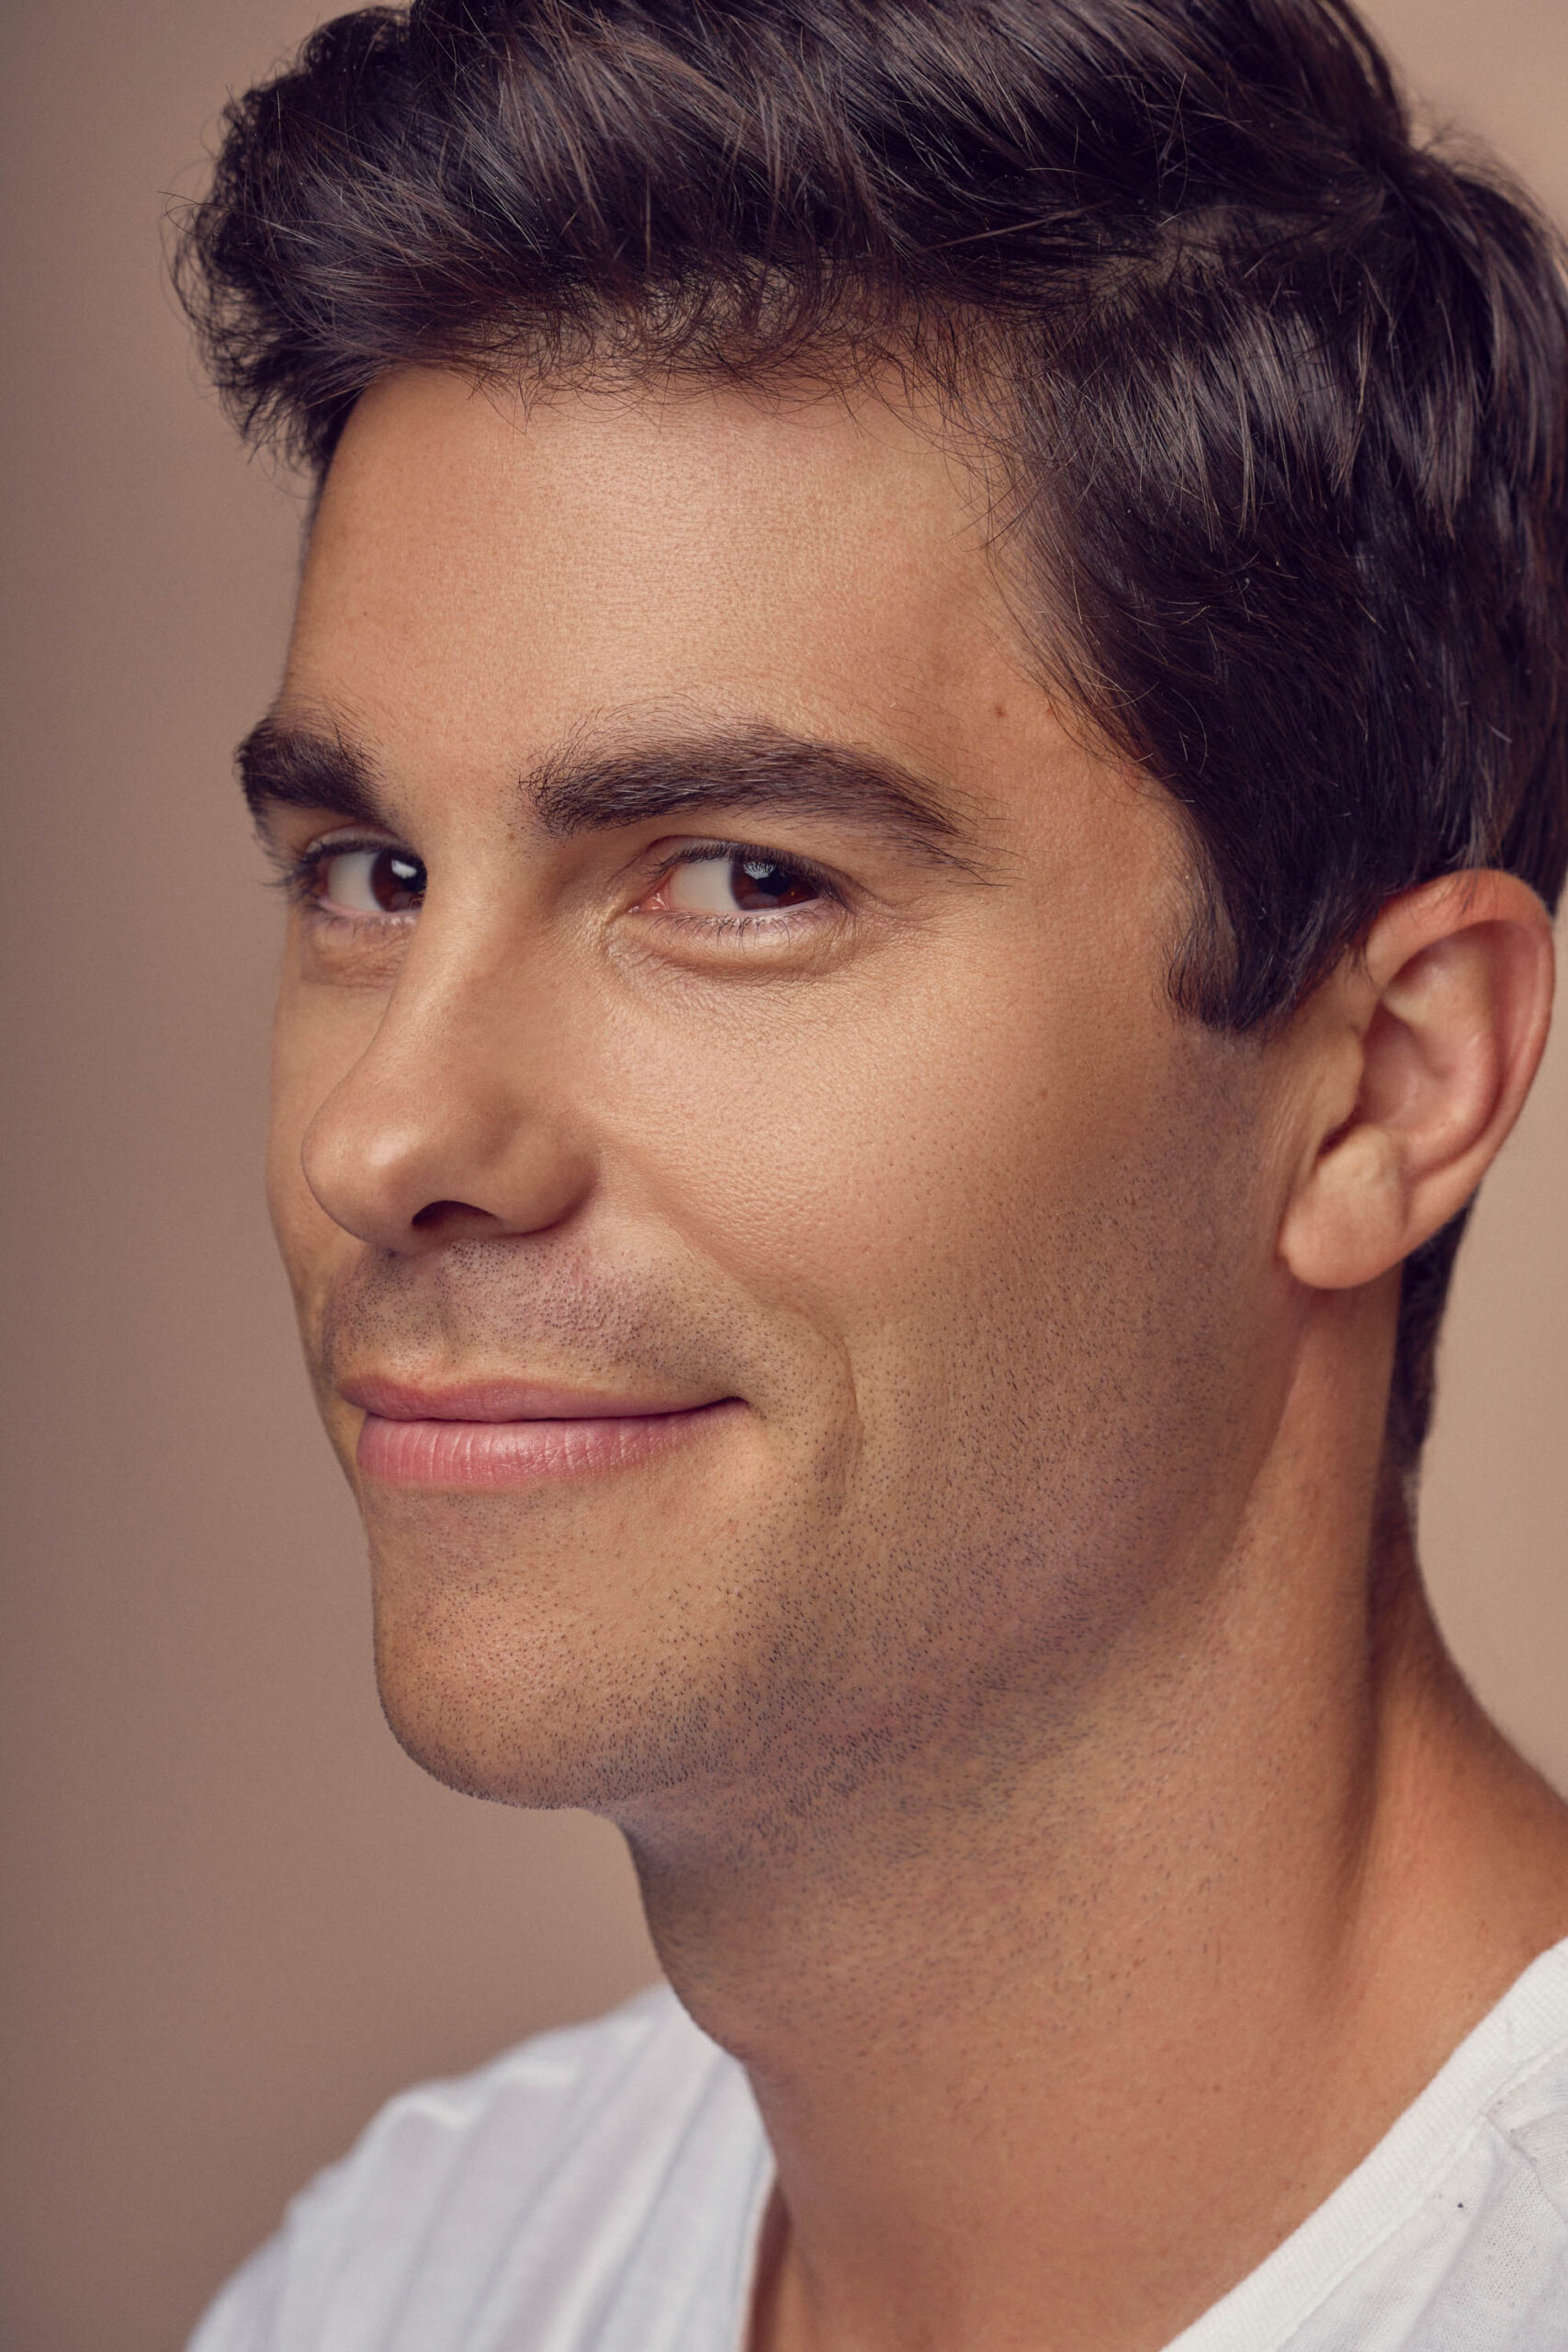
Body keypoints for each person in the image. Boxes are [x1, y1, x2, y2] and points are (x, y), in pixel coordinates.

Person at [177, 0, 1568, 2344]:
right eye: (370, 873)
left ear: (1381, 1089)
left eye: (738, 880)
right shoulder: (404, 2278)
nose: (386, 1132)